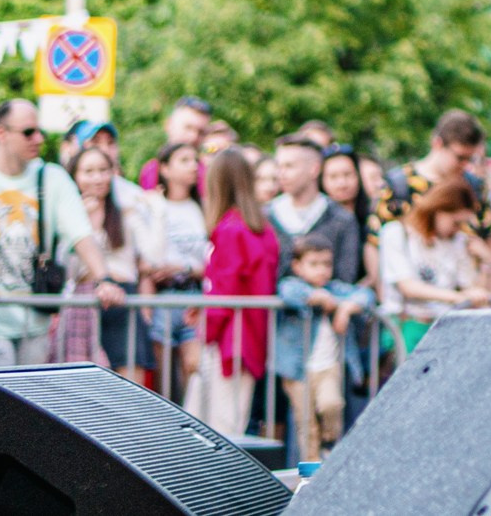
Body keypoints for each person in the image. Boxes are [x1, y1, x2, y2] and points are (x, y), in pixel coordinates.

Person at [0, 99, 124, 367]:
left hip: (36, 318)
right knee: (1, 402)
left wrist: (105, 279)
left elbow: (81, 234)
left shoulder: (52, 176)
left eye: (39, 130)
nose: (39, 138)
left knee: (28, 402)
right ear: (1, 133)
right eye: (28, 132)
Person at [196, 147, 278, 437]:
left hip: (230, 340)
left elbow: (224, 292)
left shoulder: (230, 229)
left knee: (220, 428)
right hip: (251, 336)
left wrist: (206, 333)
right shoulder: (261, 228)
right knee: (232, 420)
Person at [277, 235, 373, 460]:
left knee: (332, 404)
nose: (321, 270)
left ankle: (329, 442)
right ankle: (309, 472)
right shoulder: (294, 285)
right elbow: (287, 292)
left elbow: (366, 295)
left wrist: (346, 308)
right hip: (297, 369)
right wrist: (315, 297)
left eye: (326, 264)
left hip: (329, 365)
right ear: (297, 266)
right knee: (306, 423)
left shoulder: (336, 290)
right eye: (314, 264)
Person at [378, 111, 491, 287]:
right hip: (413, 299)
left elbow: (489, 240)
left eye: (470, 158)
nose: (466, 165)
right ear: (438, 144)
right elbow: (376, 246)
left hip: (468, 292)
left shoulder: (475, 188)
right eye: (460, 157)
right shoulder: (399, 185)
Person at [379, 177, 491, 348]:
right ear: (437, 210)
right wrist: (457, 297)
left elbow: (472, 290)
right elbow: (408, 287)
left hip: (445, 328)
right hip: (408, 326)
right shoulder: (396, 233)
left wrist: (486, 262)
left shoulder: (457, 241)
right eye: (456, 222)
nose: (458, 228)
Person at [65, 145, 147, 378]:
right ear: (75, 175)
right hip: (84, 300)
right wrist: (82, 224)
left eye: (103, 170)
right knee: (84, 381)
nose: (97, 178)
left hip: (123, 297)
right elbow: (66, 267)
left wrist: (154, 210)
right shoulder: (68, 214)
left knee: (131, 379)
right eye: (89, 171)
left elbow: (152, 254)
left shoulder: (126, 211)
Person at [136, 139, 210, 389]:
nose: (193, 167)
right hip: (160, 298)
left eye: (195, 161)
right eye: (184, 160)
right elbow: (142, 259)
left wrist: (183, 268)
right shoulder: (152, 206)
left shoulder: (203, 208)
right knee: (163, 381)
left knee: (194, 372)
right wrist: (146, 304)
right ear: (165, 169)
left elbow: (212, 262)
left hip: (193, 297)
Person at [269, 135, 364, 286]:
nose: (281, 174)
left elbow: (345, 278)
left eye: (289, 166)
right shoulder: (266, 216)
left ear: (314, 169)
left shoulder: (341, 219)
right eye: (279, 166)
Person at [319, 146, 379, 291]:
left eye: (348, 175)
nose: (342, 183)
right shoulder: (317, 221)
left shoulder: (373, 217)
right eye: (333, 177)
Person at [137, 97, 211, 193]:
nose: (194, 137)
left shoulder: (209, 174)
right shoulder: (151, 171)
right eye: (188, 128)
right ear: (169, 125)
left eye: (201, 132)